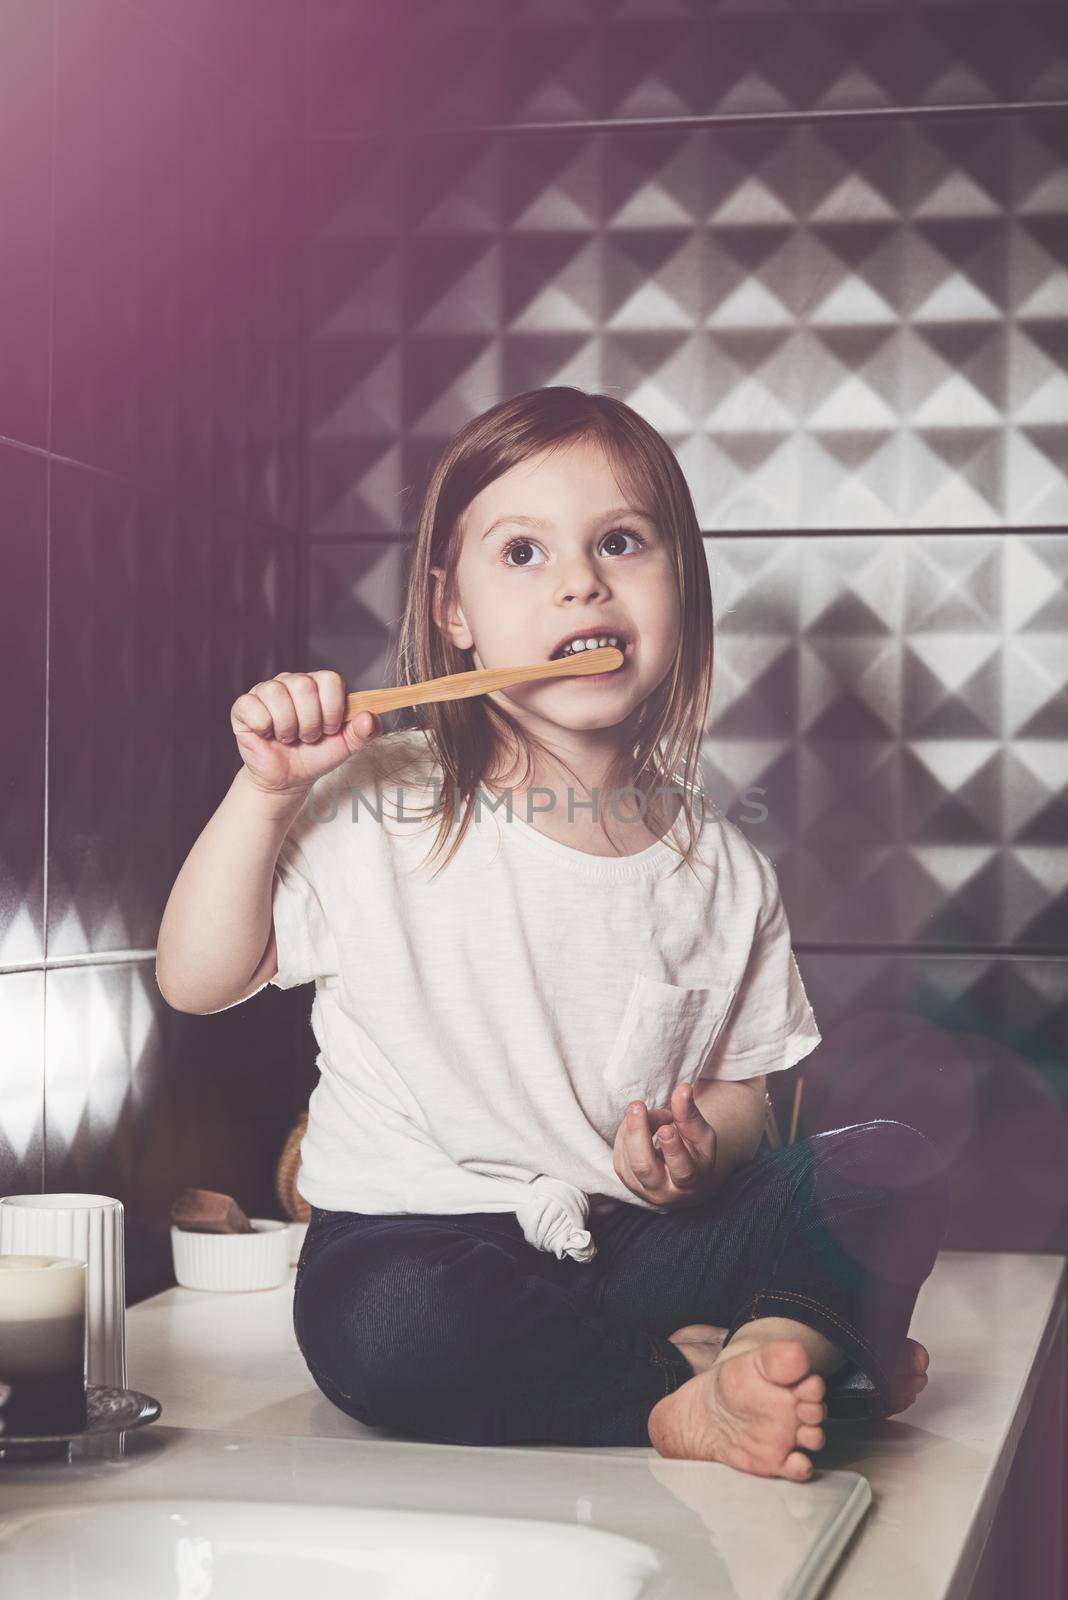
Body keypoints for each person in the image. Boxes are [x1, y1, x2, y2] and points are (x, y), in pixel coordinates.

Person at [156, 386, 947, 1479]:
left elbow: (744, 1103)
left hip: (637, 1242)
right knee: (387, 1328)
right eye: (523, 553)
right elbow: (197, 979)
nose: (582, 580)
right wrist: (263, 793)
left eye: (620, 542)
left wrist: (695, 1154)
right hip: (422, 1240)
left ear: (683, 589)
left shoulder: (722, 867)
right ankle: (716, 1382)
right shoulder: (375, 801)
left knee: (883, 1165)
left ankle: (761, 1351)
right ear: (455, 615)